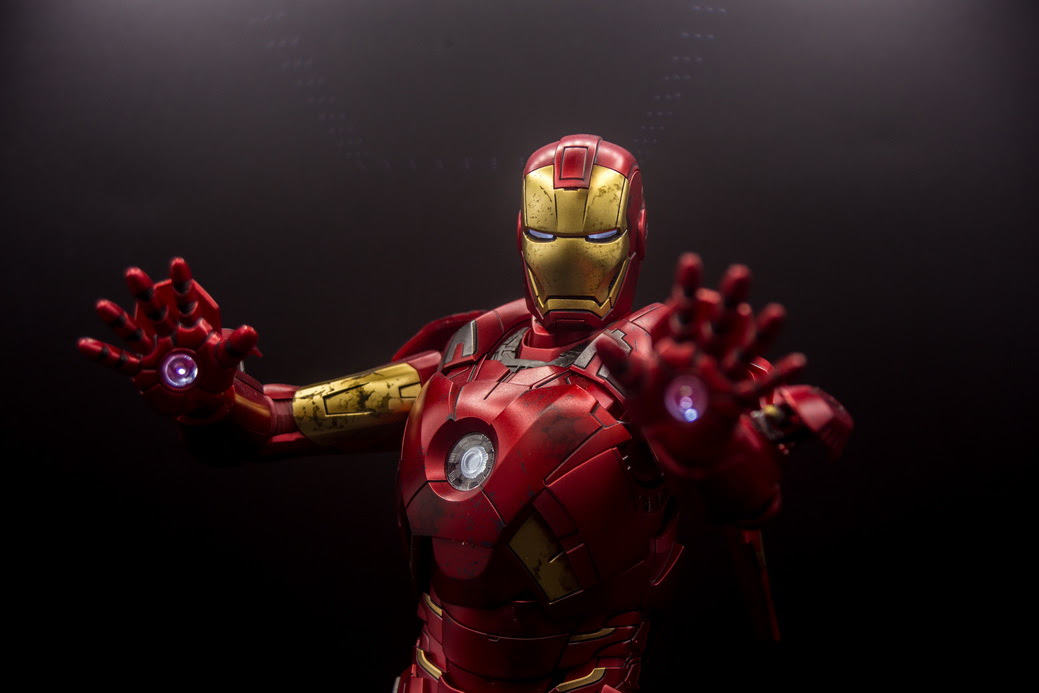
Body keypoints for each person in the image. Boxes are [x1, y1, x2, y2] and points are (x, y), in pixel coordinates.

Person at [80, 134, 851, 692]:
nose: (568, 254)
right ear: (519, 233)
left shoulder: (664, 366)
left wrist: (705, 438)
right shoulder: (464, 356)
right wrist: (211, 400)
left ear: (636, 235)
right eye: (547, 231)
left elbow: (752, 471)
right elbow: (277, 423)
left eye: (596, 232)